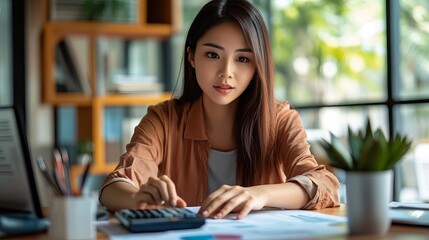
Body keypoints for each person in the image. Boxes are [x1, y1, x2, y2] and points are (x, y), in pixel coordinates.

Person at [99, 0, 339, 219]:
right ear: (191, 56)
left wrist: (259, 195)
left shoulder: (280, 120)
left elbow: (323, 184)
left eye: (242, 59)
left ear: (258, 65)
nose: (226, 72)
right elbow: (115, 185)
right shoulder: (164, 119)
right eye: (213, 54)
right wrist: (136, 198)